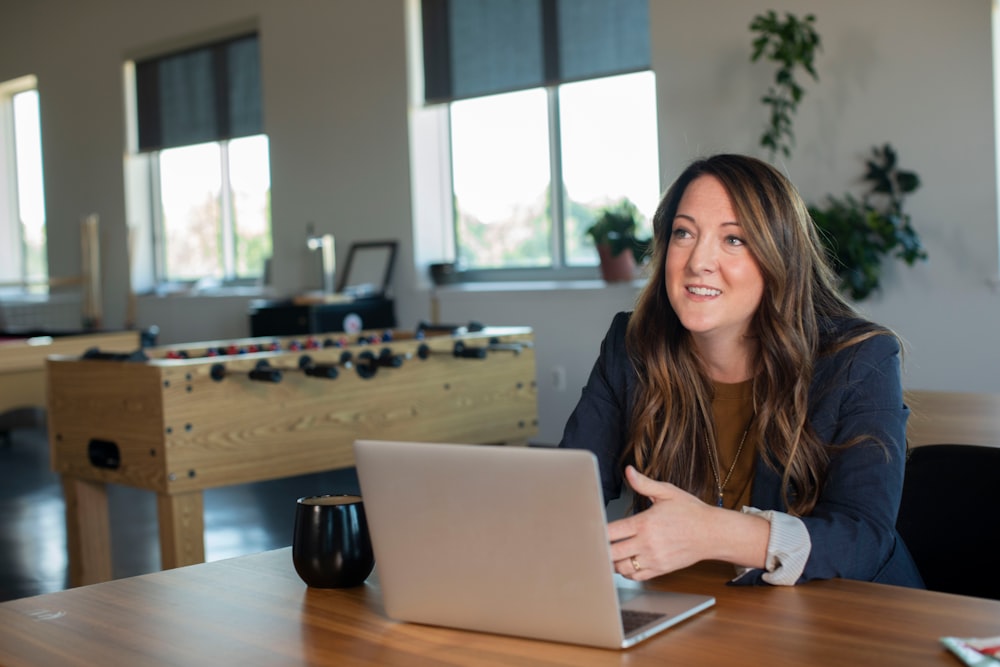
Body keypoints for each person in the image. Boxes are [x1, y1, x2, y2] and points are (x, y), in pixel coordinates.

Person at [559, 154, 924, 588]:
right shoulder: (632, 344)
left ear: (780, 257)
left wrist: (713, 534)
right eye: (684, 233)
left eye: (734, 240)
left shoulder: (859, 359)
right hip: (689, 615)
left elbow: (864, 540)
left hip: (840, 621)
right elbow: (568, 492)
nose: (698, 261)